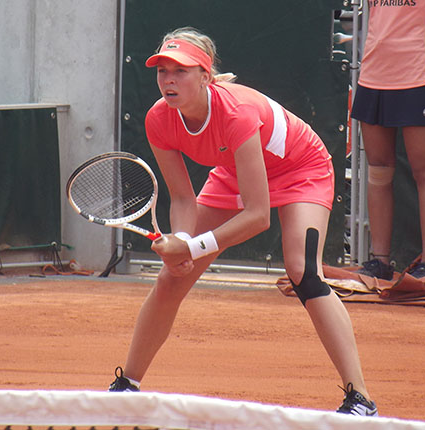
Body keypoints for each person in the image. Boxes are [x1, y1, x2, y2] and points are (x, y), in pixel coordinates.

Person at [108, 26, 378, 416]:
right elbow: (183, 197)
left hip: (301, 169)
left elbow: (256, 217)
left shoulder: (235, 112)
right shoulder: (159, 119)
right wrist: (181, 241)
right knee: (172, 276)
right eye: (162, 71)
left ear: (205, 76)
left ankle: (361, 398)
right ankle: (126, 386)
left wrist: (194, 245)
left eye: (180, 71)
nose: (169, 80)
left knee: (304, 273)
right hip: (235, 171)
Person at [352, 0, 425, 280]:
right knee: (378, 170)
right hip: (372, 79)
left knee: (424, 170)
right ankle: (380, 261)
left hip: (417, 78)